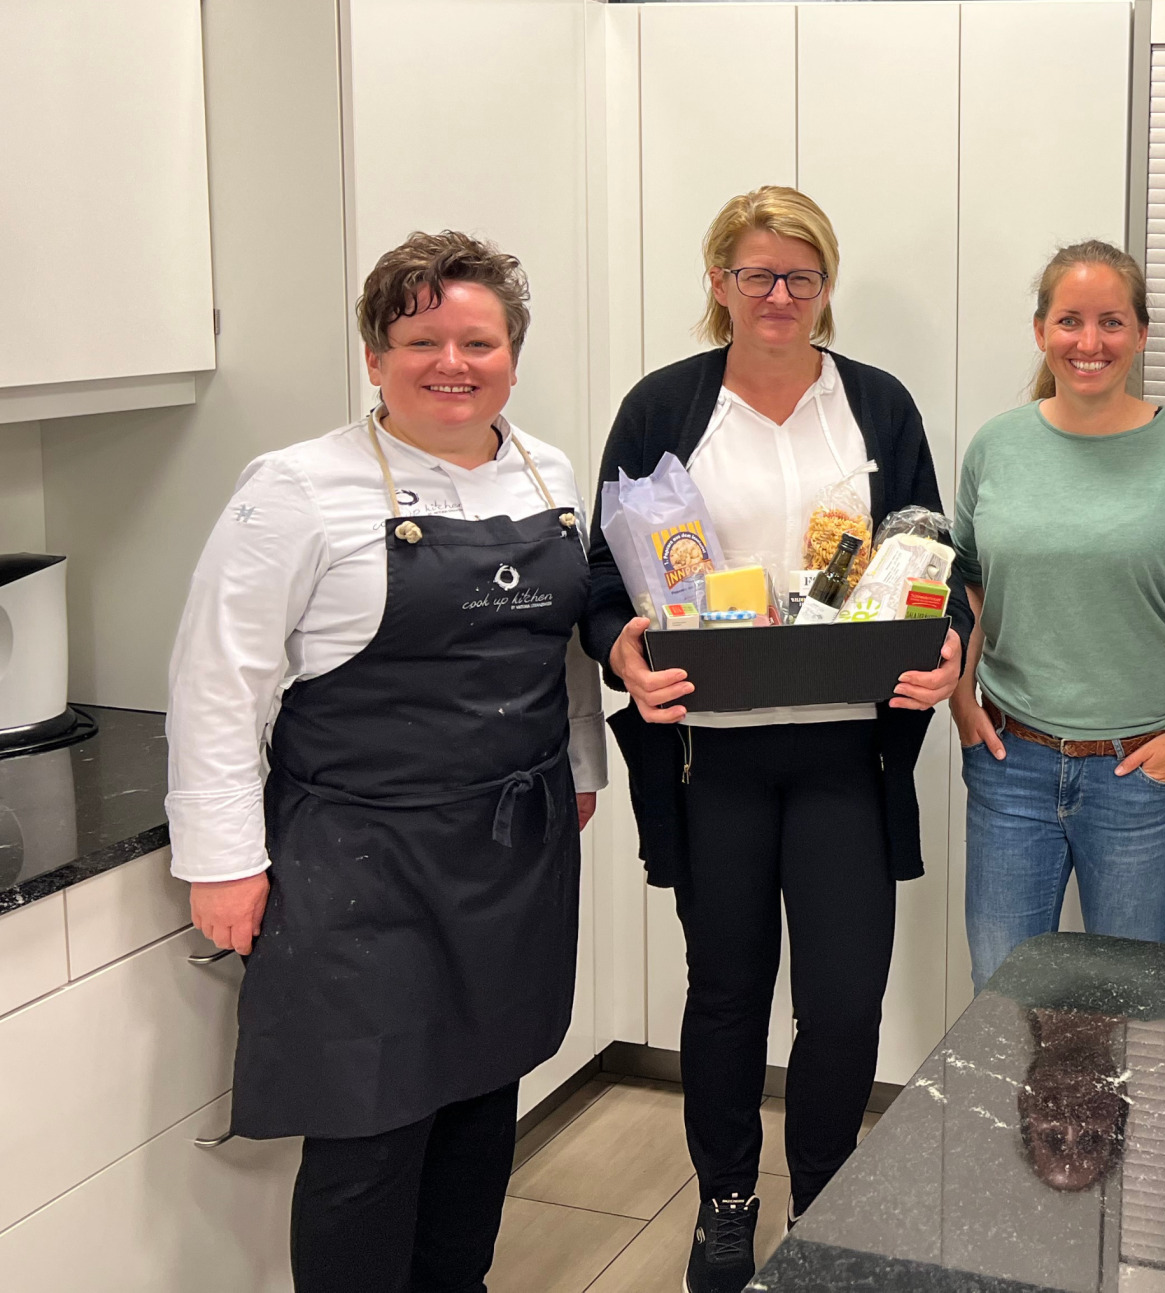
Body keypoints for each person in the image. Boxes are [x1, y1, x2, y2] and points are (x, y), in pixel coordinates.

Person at [168, 231, 606, 1293]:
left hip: (513, 850)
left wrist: (582, 767)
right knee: (368, 1133)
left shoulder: (546, 472)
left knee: (481, 1102)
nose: (452, 363)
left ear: (512, 355)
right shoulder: (295, 489)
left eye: (478, 341)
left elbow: (560, 650)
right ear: (375, 356)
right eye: (420, 341)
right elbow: (218, 679)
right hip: (364, 862)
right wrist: (221, 860)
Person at [585, 185, 965, 1293]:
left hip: (849, 752)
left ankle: (824, 1202)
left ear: (826, 285)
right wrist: (620, 652)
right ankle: (726, 1202)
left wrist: (945, 647)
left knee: (843, 1002)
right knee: (726, 993)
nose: (780, 296)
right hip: (714, 757)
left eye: (801, 276)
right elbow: (603, 581)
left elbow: (933, 556)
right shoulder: (664, 407)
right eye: (756, 274)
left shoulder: (875, 405)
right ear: (719, 282)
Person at [949, 240, 1165, 992]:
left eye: (1112, 322)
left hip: (1139, 774)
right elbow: (965, 585)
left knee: (1126, 1003)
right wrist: (960, 697)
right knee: (1001, 998)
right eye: (1070, 320)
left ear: (1141, 333)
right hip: (1011, 766)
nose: (1089, 342)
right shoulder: (996, 446)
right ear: (1040, 331)